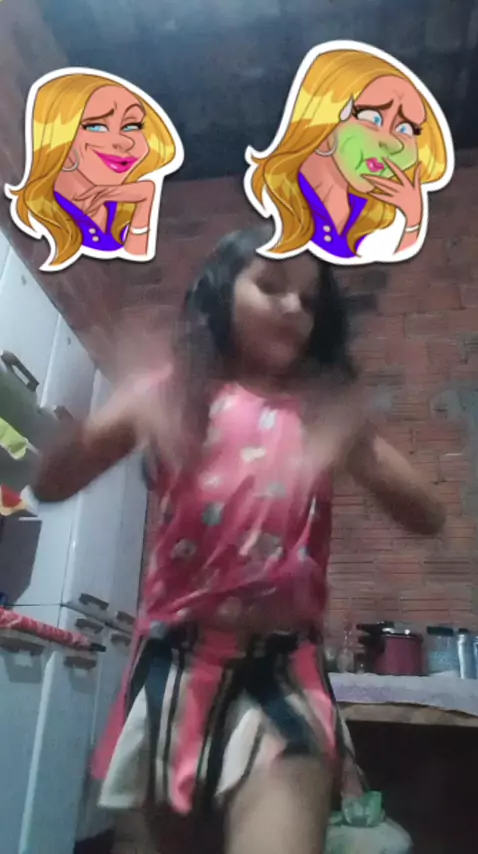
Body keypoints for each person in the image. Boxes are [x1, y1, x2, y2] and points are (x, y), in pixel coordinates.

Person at [33, 225, 444, 854]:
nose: (293, 307)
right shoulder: (173, 392)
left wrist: (357, 440)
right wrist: (95, 427)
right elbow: (51, 485)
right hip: (174, 664)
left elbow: (429, 515)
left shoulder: (320, 412)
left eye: (310, 301)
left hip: (285, 671)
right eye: (271, 286)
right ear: (222, 293)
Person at [244, 41, 453, 265]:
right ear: (327, 117)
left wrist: (413, 218)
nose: (389, 143)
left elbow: (400, 266)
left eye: (405, 129)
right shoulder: (276, 193)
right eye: (371, 118)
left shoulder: (375, 209)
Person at [5, 68, 183, 271]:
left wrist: (145, 201)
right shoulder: (40, 216)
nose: (125, 141)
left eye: (132, 126)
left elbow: (137, 272)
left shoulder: (122, 210)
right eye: (97, 126)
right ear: (58, 136)